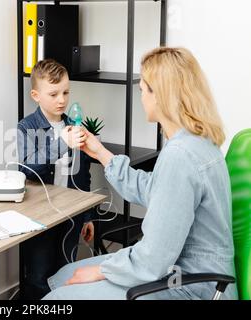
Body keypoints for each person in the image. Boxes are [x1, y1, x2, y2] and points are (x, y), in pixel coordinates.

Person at [43, 47, 238, 300]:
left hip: (194, 284)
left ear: (161, 96)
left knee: (59, 296)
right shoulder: (195, 140)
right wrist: (101, 152)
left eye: (143, 90)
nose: (141, 97)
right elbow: (156, 191)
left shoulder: (180, 154)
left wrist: (101, 270)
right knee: (65, 276)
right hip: (184, 271)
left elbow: (153, 258)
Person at [17, 59, 97, 300]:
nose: (61, 100)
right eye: (53, 94)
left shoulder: (74, 125)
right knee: (39, 278)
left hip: (70, 217)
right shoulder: (26, 127)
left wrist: (87, 215)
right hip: (40, 218)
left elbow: (83, 175)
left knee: (66, 274)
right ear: (36, 95)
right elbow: (27, 169)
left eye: (65, 92)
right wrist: (62, 143)